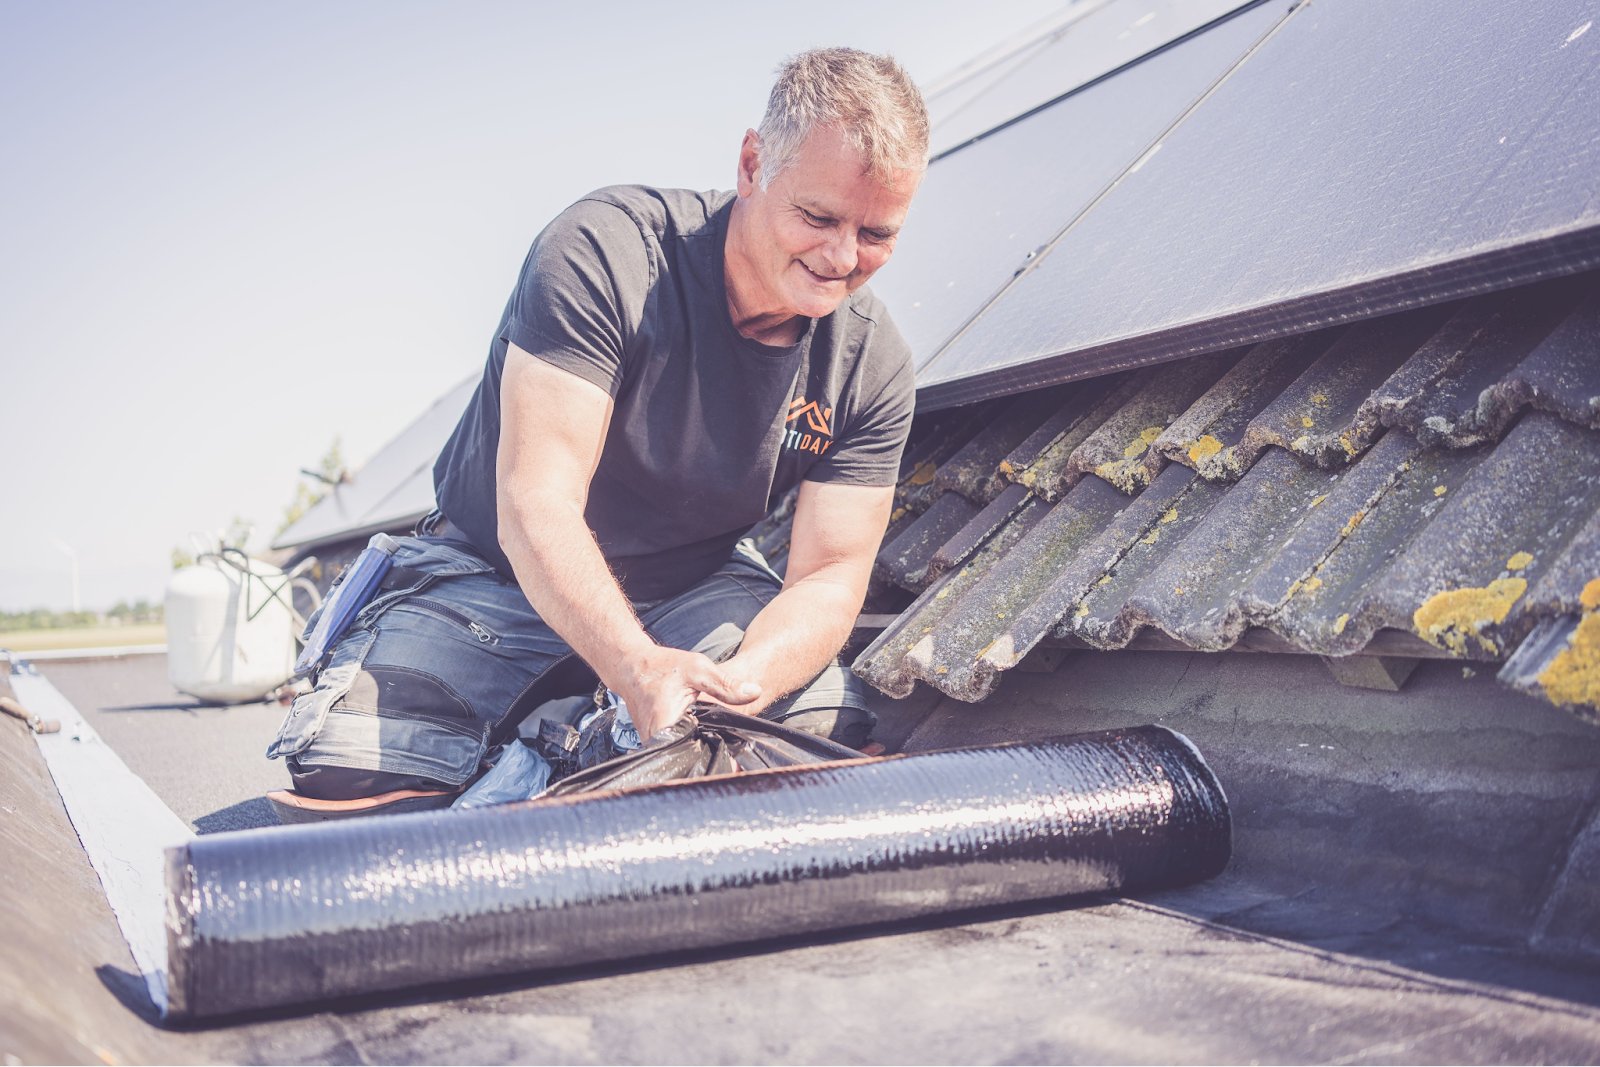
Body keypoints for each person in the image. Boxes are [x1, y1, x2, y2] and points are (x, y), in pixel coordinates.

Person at [267, 47, 928, 811]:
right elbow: (535, 504)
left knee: (820, 726)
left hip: (692, 592)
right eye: (817, 217)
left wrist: (745, 688)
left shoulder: (872, 361)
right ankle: (591, 742)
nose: (842, 258)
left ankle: (578, 747)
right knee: (348, 765)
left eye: (877, 234)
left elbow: (829, 573)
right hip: (499, 581)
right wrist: (634, 665)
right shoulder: (605, 254)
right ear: (752, 163)